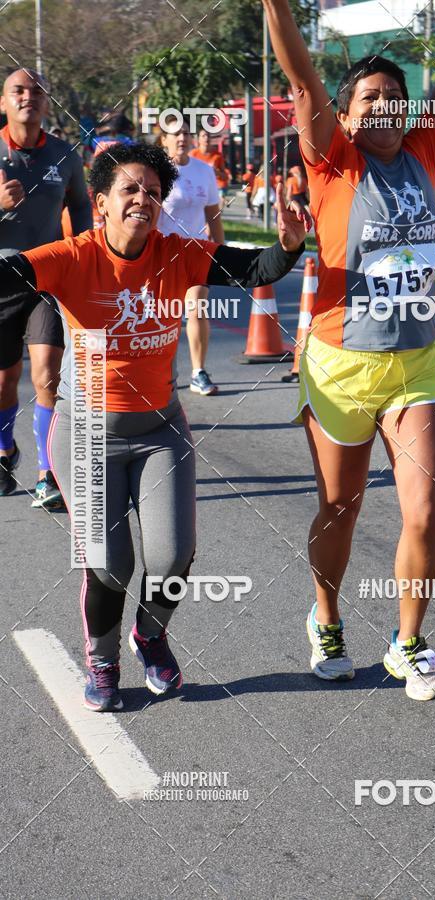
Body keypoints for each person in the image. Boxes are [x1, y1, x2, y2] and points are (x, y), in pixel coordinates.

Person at [0, 142, 309, 712]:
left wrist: (289, 244)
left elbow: (251, 267)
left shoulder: (178, 253)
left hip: (159, 428)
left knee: (172, 555)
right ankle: (103, 657)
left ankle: (150, 632)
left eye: (152, 191)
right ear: (101, 204)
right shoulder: (72, 256)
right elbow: (7, 276)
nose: (144, 198)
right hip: (87, 432)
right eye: (130, 190)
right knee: (111, 563)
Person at [263, 0, 435, 700]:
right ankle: (327, 618)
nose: (388, 105)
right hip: (340, 367)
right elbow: (303, 77)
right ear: (347, 114)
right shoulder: (333, 159)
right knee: (341, 509)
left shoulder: (426, 149)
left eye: (397, 96)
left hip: (416, 365)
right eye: (371, 97)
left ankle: (409, 642)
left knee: (426, 512)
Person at [0, 67, 92, 505]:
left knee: (45, 376)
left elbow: (83, 212)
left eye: (37, 91)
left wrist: (91, 262)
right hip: (0, 280)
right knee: (4, 381)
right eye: (18, 90)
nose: (28, 97)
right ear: (3, 102)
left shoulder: (65, 154)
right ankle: (4, 452)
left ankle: (48, 474)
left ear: (46, 102)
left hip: (48, 278)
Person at [157, 118, 225, 395]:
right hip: (162, 253)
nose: (181, 138)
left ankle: (198, 372)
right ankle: (163, 374)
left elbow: (213, 215)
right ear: (164, 140)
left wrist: (222, 253)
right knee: (166, 316)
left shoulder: (204, 171)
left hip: (196, 251)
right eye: (174, 134)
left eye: (185, 132)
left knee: (197, 308)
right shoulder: (156, 172)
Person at [190, 130, 229, 205]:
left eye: (208, 136)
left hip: (213, 189)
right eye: (203, 136)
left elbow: (225, 176)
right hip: (197, 190)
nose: (206, 138)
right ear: (198, 139)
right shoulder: (193, 154)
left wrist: (216, 172)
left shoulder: (217, 155)